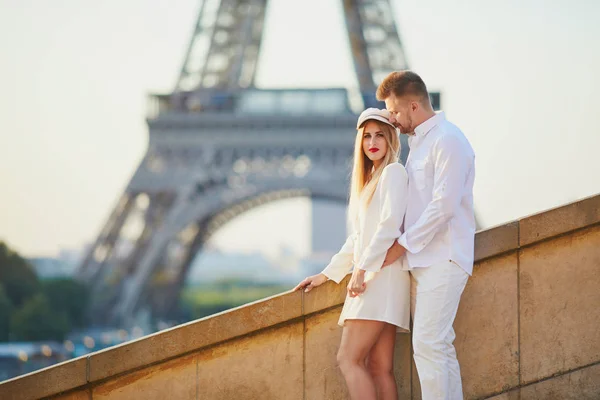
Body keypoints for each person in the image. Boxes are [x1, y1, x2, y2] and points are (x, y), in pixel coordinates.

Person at [294, 108, 410, 400]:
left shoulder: (393, 173)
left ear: (391, 139)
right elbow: (358, 238)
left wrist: (360, 271)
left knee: (348, 359)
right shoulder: (371, 180)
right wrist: (326, 274)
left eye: (380, 135)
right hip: (383, 278)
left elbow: (389, 225)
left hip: (377, 279)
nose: (372, 142)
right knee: (379, 367)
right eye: (367, 136)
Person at [377, 70, 476, 400]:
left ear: (414, 106)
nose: (392, 118)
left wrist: (401, 246)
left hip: (443, 257)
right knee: (439, 347)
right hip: (424, 259)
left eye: (394, 110)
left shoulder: (447, 139)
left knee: (428, 345)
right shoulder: (418, 144)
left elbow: (443, 206)